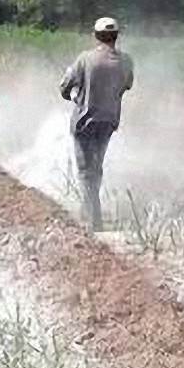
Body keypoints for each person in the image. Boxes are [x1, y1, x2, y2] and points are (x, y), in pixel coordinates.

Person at [60, 17, 134, 232]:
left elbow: (65, 86)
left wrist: (73, 96)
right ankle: (88, 210)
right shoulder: (127, 61)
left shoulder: (85, 59)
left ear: (96, 35)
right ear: (116, 36)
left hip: (85, 121)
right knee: (96, 168)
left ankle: (94, 221)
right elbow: (127, 85)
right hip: (109, 121)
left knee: (85, 170)